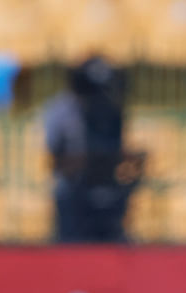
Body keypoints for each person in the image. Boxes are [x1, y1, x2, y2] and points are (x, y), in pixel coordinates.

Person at [43, 55, 138, 243]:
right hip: (72, 191)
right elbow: (54, 160)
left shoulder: (111, 108)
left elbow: (116, 148)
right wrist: (88, 160)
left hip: (107, 187)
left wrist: (125, 160)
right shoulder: (60, 110)